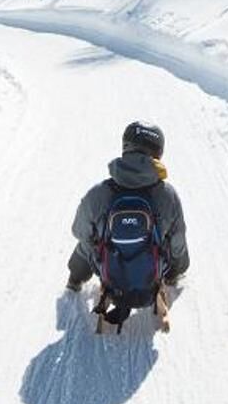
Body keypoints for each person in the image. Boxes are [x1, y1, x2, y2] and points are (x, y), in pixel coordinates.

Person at [67, 121, 190, 309]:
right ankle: (172, 277)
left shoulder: (98, 193)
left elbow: (78, 231)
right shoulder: (168, 195)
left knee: (86, 243)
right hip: (150, 283)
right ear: (158, 152)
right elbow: (178, 244)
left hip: (110, 280)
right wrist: (176, 270)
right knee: (175, 238)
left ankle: (75, 280)